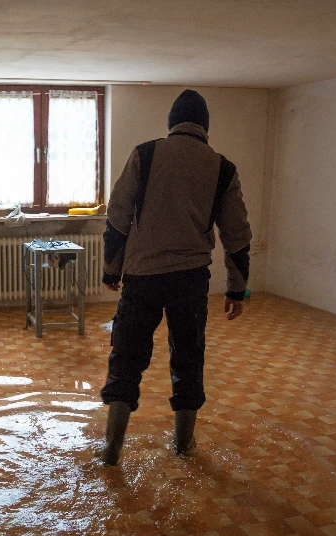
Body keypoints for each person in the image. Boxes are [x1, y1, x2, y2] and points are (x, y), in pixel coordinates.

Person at [98, 89, 252, 465]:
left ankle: (112, 451)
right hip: (190, 279)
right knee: (188, 357)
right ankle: (184, 446)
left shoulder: (145, 153)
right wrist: (237, 288)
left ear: (171, 123)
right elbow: (237, 235)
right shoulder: (222, 167)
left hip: (142, 276)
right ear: (205, 128)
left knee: (126, 358)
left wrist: (111, 269)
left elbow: (118, 215)